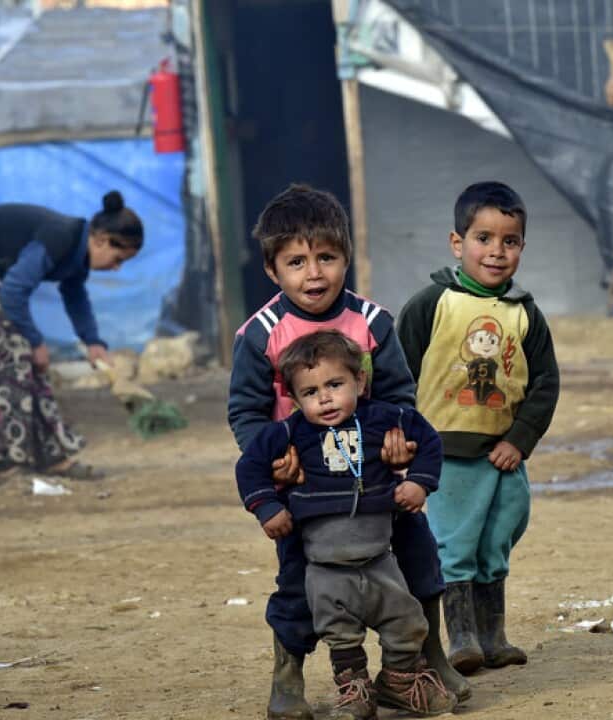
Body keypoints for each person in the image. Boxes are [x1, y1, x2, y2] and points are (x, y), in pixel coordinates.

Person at [227, 183, 470, 719]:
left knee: (417, 560)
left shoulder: (372, 323)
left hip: (378, 480)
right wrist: (271, 463)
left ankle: (427, 659)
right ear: (273, 270)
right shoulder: (261, 334)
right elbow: (245, 412)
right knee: (299, 581)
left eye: (327, 257)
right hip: (305, 491)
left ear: (346, 257)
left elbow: (399, 396)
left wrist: (398, 442)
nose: (314, 273)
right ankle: (286, 676)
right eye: (296, 261)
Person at [236, 331, 458, 718]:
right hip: (324, 562)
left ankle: (399, 683)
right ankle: (354, 692)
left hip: (380, 557)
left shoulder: (384, 418)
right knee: (339, 631)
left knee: (405, 620)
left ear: (359, 381)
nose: (324, 398)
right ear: (293, 398)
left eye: (335, 385)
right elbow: (249, 465)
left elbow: (430, 440)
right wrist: (267, 506)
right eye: (309, 392)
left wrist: (418, 481)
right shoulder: (290, 433)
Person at [397, 181, 560, 675]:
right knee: (455, 543)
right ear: (457, 243)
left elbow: (545, 383)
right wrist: (404, 439)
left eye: (509, 241)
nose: (496, 251)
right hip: (445, 455)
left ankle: (494, 635)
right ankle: (462, 637)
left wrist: (520, 439)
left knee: (497, 541)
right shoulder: (431, 304)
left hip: (502, 455)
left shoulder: (525, 313)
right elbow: (396, 374)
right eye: (483, 238)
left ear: (522, 248)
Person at [0, 191, 142, 485]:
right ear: (102, 239)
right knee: (0, 366)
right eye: (118, 259)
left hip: (0, 277)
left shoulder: (78, 251)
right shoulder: (61, 237)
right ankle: (2, 461)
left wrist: (93, 342)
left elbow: (75, 295)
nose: (117, 267)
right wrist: (34, 340)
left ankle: (51, 457)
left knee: (30, 367)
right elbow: (13, 290)